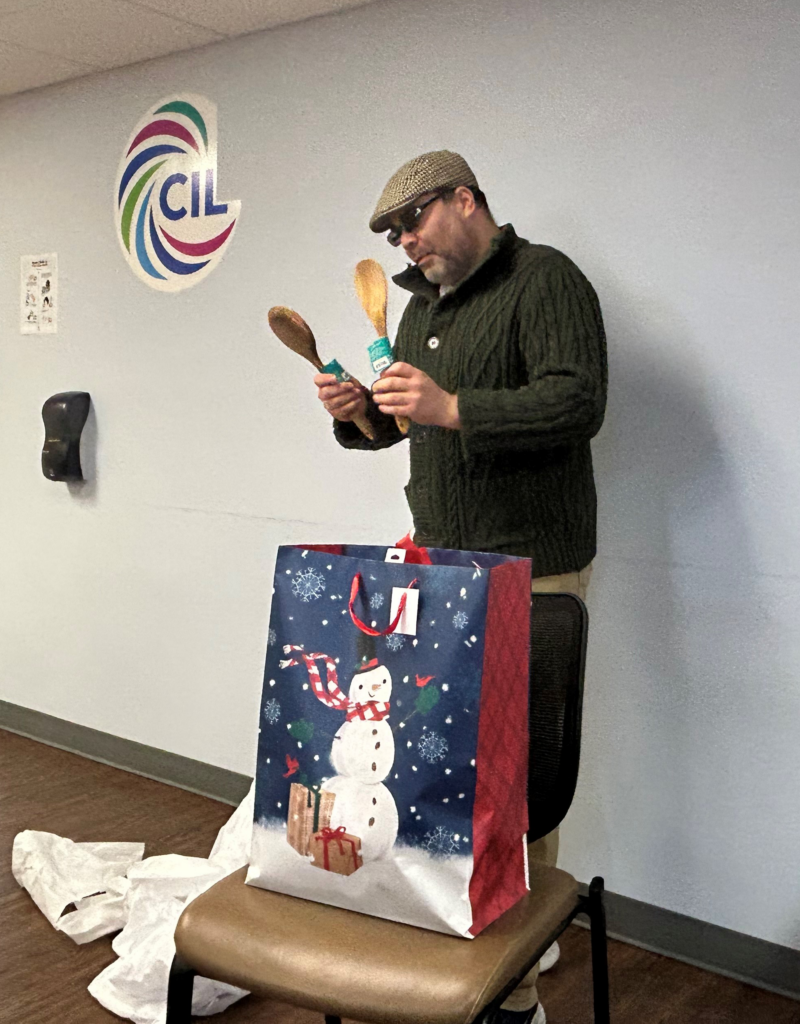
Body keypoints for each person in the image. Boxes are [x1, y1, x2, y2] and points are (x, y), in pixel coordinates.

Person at [314, 150, 607, 1024]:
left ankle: (523, 938)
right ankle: (494, 921)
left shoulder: (545, 279)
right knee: (449, 759)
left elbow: (577, 401)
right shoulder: (416, 306)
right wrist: (362, 415)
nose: (405, 243)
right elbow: (411, 423)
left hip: (528, 562)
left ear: (465, 199)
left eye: (413, 223)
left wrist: (455, 408)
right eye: (393, 235)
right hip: (440, 564)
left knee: (518, 771)